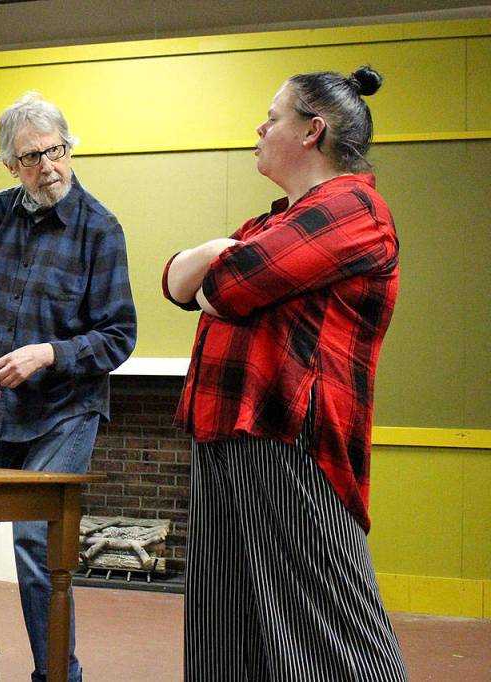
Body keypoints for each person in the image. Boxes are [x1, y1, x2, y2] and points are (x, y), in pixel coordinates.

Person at [162, 66, 407, 680]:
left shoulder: (354, 209)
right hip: (227, 434)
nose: (260, 128)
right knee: (226, 621)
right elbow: (173, 282)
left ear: (311, 131)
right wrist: (217, 250)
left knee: (329, 628)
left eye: (272, 118)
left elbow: (224, 287)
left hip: (293, 438)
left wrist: (216, 262)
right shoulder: (272, 223)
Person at [0, 92, 137, 682]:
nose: (48, 167)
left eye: (55, 151)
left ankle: (57, 675)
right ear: (9, 166)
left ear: (69, 147)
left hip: (65, 413)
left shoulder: (100, 229)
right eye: (31, 158)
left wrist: (49, 354)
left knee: (37, 546)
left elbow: (119, 336)